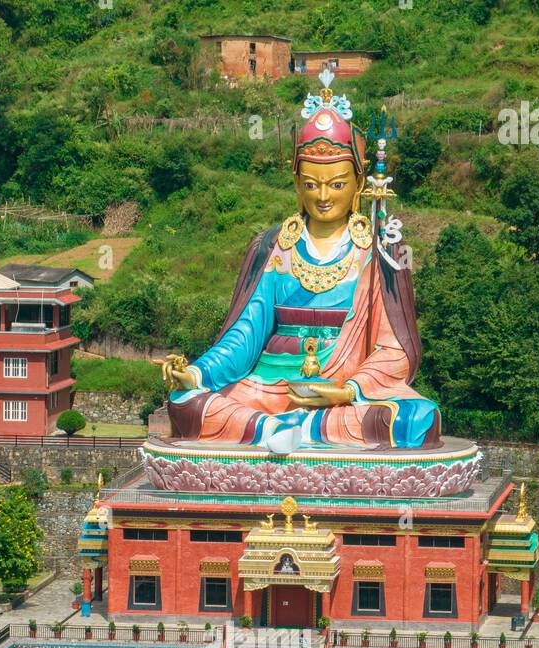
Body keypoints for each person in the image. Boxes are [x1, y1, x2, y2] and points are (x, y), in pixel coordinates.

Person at [158, 70, 440, 455]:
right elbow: (245, 335)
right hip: (265, 389)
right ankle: (282, 429)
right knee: (186, 403)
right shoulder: (274, 245)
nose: (323, 196)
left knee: (416, 419)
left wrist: (347, 390)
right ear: (297, 184)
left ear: (359, 183)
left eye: (336, 184)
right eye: (311, 184)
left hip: (339, 395)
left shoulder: (379, 248)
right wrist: (195, 372)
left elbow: (396, 350)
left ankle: (284, 431)